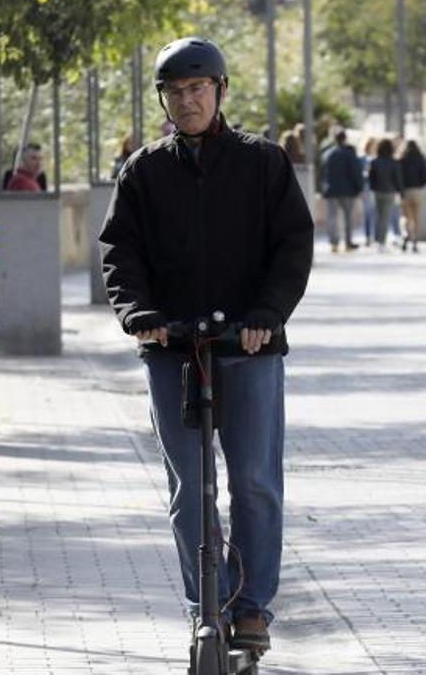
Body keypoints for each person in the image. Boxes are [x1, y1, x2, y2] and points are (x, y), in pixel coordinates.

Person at [99, 36, 313, 655]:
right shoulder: (144, 170)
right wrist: (140, 314)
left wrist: (266, 316)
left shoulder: (263, 163)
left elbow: (293, 247)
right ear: (163, 99)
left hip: (248, 345)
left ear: (219, 92)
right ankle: (205, 604)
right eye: (175, 92)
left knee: (252, 480)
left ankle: (251, 608)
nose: (187, 101)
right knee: (189, 488)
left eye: (198, 89)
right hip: (173, 349)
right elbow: (119, 252)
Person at [319, 129, 363, 252]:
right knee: (347, 217)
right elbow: (355, 171)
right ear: (345, 138)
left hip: (331, 189)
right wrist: (359, 187)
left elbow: (322, 173)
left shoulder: (327, 154)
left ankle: (334, 243)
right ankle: (348, 243)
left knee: (332, 217)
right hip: (348, 190)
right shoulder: (349, 153)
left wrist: (322, 188)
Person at [368, 138, 404, 251]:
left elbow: (371, 178)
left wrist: (373, 189)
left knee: (378, 216)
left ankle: (377, 239)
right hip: (389, 192)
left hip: (377, 192)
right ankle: (381, 242)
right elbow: (398, 179)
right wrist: (401, 192)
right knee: (385, 217)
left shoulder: (374, 162)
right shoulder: (394, 162)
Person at [398, 140, 426, 253]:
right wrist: (420, 184)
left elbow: (398, 176)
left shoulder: (402, 160)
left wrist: (400, 188)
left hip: (405, 191)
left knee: (405, 217)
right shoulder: (421, 159)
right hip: (417, 190)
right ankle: (415, 240)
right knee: (416, 218)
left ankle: (406, 235)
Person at [359, 138, 378, 247]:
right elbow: (359, 173)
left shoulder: (377, 158)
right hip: (366, 188)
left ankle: (376, 236)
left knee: (376, 214)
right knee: (367, 213)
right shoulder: (362, 159)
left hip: (376, 189)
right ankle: (368, 236)